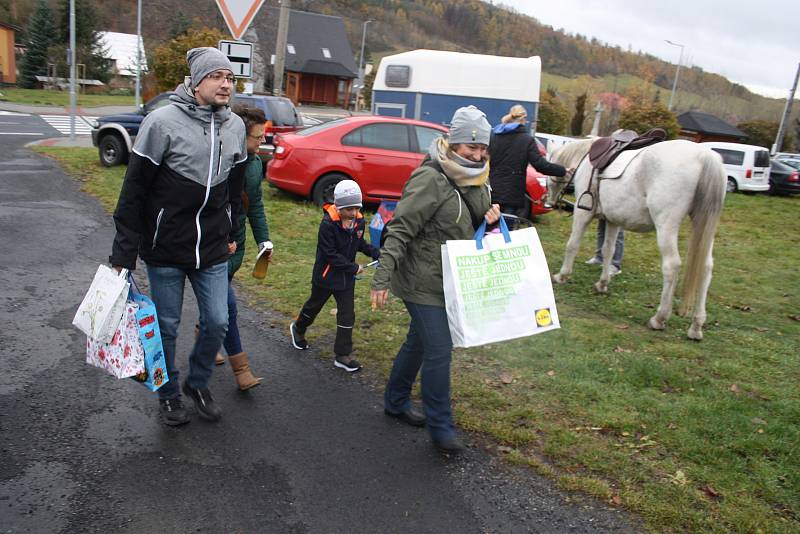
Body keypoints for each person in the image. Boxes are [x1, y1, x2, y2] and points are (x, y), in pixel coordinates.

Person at [110, 47, 248, 426]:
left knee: (218, 320)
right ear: (197, 81)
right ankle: (168, 394)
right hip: (166, 245)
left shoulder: (235, 126)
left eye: (230, 78)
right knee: (167, 326)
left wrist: (235, 232)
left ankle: (197, 382)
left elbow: (234, 191)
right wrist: (123, 255)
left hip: (212, 247)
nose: (225, 84)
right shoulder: (162, 122)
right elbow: (134, 191)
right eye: (217, 76)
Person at [370, 106, 501, 454]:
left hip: (452, 278)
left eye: (481, 147)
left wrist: (489, 220)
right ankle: (441, 427)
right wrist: (381, 279)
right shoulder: (430, 177)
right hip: (420, 279)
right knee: (439, 349)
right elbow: (399, 228)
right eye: (469, 146)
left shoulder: (478, 176)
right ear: (452, 142)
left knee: (418, 342)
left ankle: (396, 401)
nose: (476, 153)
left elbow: (470, 225)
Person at [289, 180, 380, 373]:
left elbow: (359, 243)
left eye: (356, 208)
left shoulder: (359, 221)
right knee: (314, 306)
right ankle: (298, 328)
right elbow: (330, 254)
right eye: (349, 209)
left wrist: (374, 252)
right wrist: (353, 267)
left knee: (347, 313)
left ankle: (342, 355)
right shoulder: (328, 225)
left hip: (345, 280)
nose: (353, 213)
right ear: (338, 207)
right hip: (326, 276)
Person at [214, 104, 273, 390]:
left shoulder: (255, 164)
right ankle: (242, 371)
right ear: (240, 135)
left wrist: (264, 239)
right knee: (228, 307)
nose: (263, 141)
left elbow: (256, 205)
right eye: (258, 137)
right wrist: (219, 240)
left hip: (237, 248)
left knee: (217, 303)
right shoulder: (218, 160)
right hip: (216, 248)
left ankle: (206, 339)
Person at [488, 104, 570, 220]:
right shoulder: (527, 140)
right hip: (511, 195)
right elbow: (541, 165)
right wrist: (563, 170)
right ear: (523, 120)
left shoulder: (494, 136)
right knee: (505, 232)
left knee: (489, 229)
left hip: (491, 192)